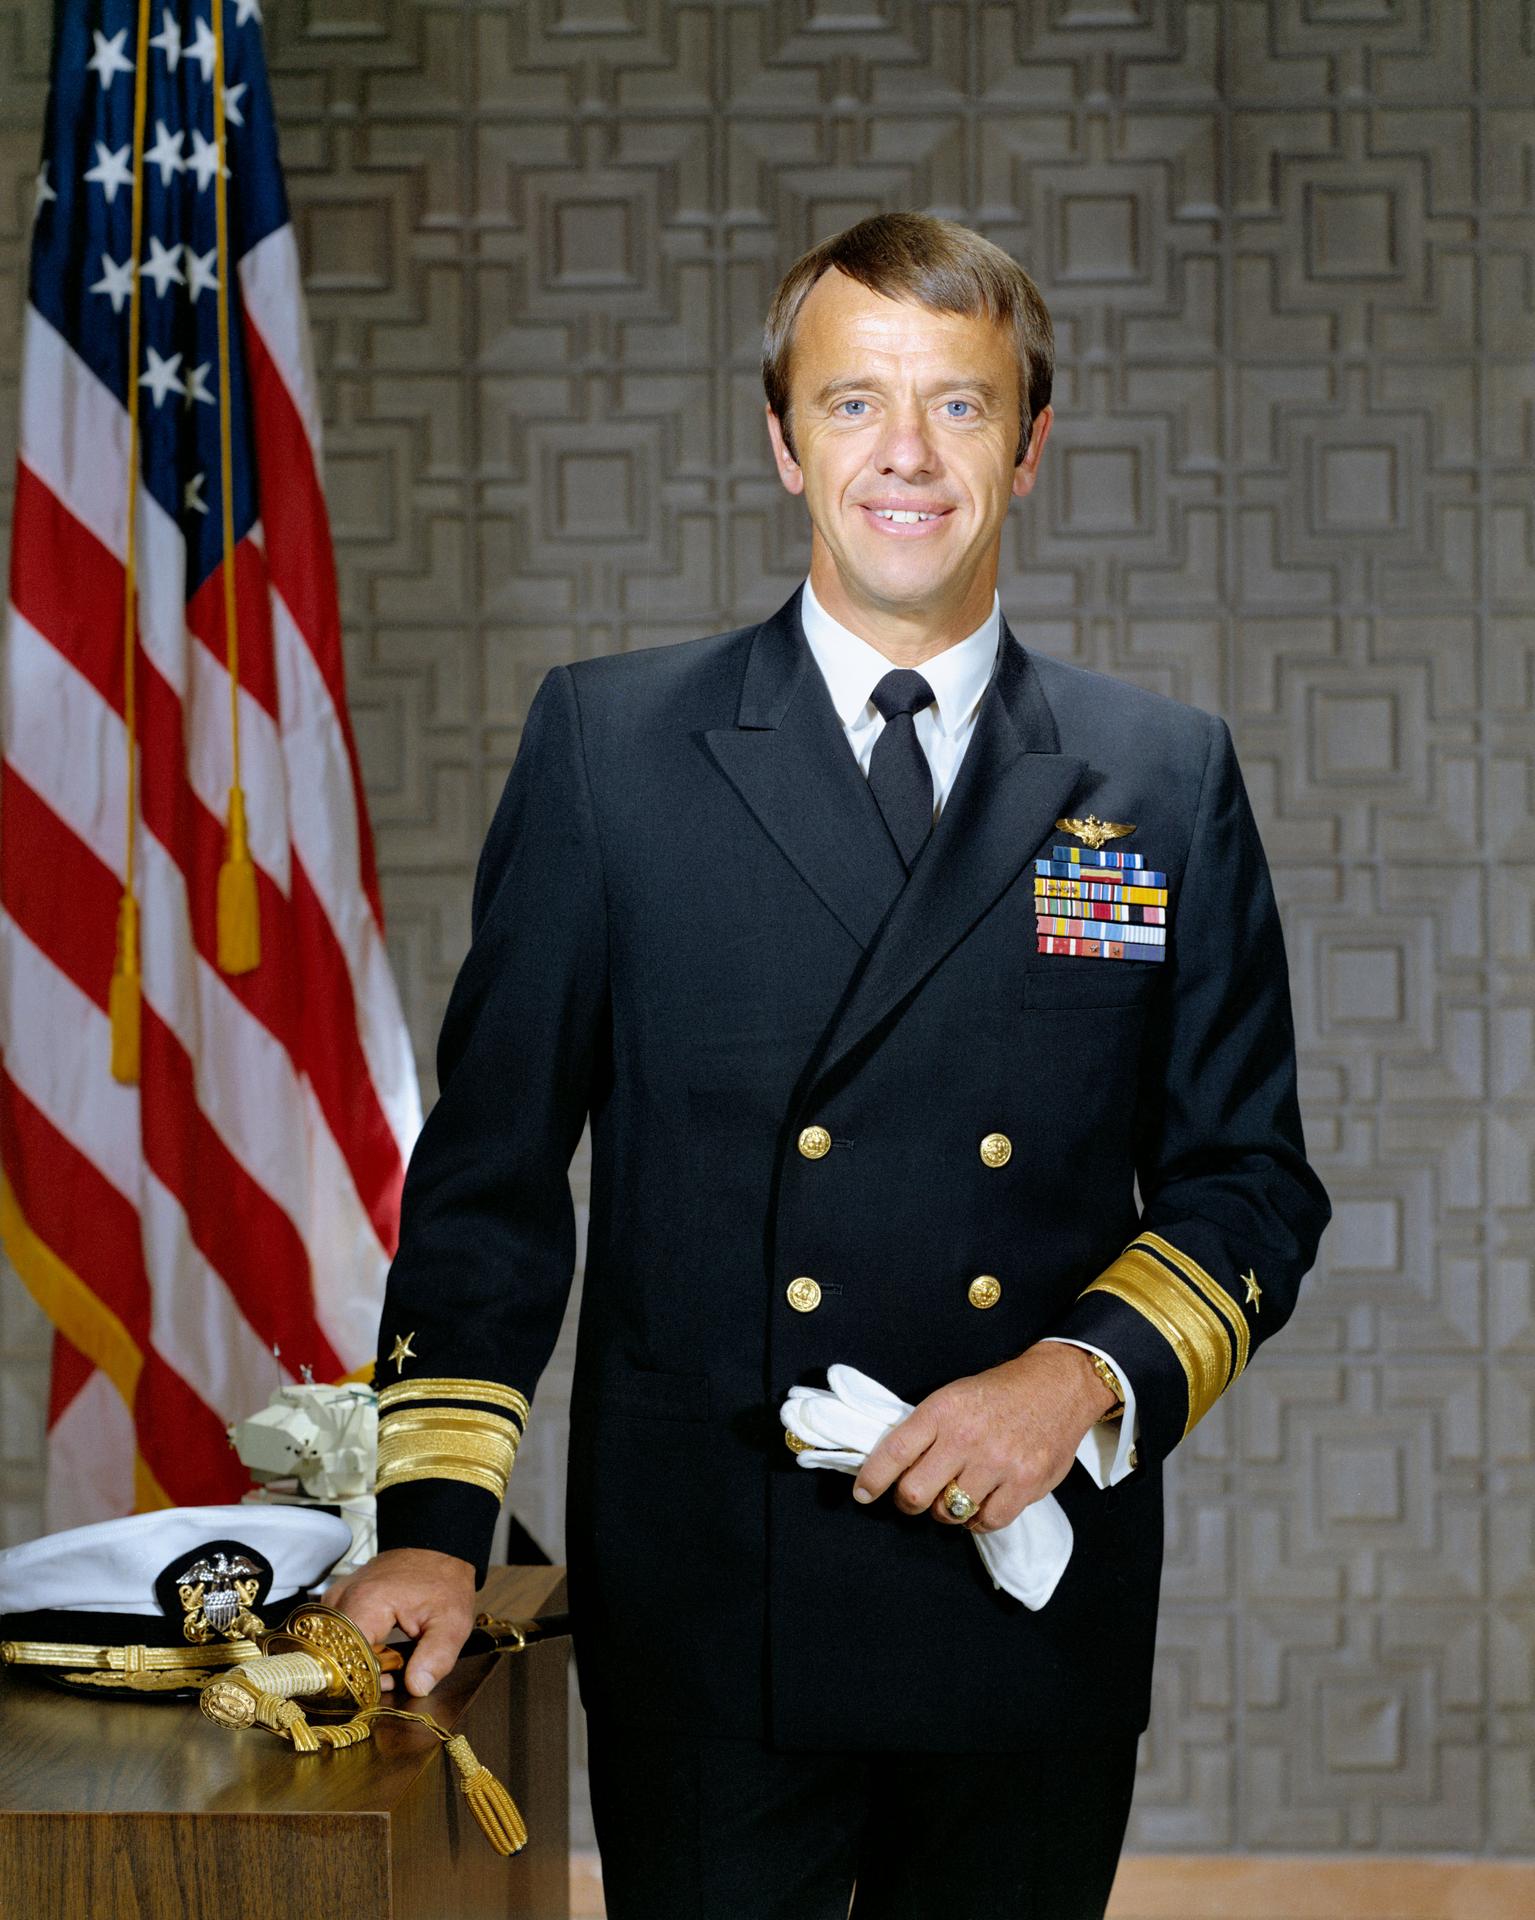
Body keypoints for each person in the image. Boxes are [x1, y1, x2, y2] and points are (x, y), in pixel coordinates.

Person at [327, 211, 1331, 1918]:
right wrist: (432, 1524)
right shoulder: (610, 749)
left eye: (960, 404)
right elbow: (491, 1179)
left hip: (1026, 1586)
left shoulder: (1161, 777)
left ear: (1030, 446)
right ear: (785, 443)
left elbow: (1251, 1183)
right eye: (856, 403)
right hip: (713, 1590)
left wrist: (1074, 1378)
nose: (907, 454)